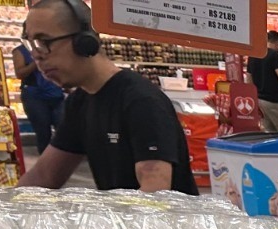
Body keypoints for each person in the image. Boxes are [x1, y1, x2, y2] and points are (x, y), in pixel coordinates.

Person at [17, 0, 197, 192]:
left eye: (44, 42)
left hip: (161, 221)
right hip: (120, 220)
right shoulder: (79, 102)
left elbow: (155, 191)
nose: (37, 56)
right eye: (31, 44)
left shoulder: (141, 100)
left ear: (84, 42)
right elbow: (44, 176)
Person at [12, 38, 64, 153]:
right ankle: (47, 162)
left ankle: (61, 159)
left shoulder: (52, 49)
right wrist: (36, 62)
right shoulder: (20, 51)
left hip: (56, 94)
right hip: (34, 96)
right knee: (43, 132)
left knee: (63, 130)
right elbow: (20, 73)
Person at [247, 30, 278, 133]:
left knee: (270, 135)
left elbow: (248, 80)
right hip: (274, 102)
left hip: (259, 102)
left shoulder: (253, 55)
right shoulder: (275, 55)